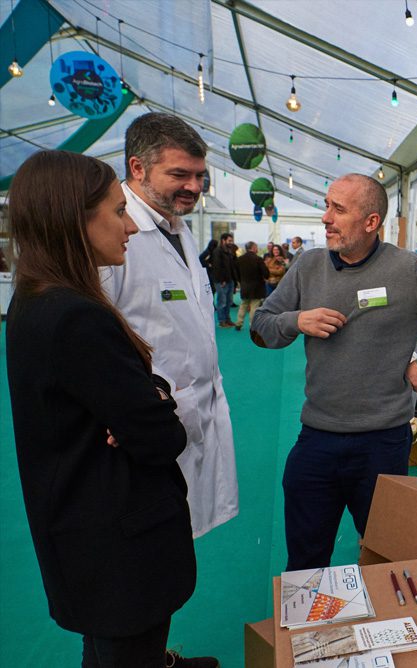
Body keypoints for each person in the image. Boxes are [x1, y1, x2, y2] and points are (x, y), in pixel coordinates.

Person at [5, 150, 212, 667]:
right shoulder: (77, 318)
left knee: (109, 644)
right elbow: (161, 437)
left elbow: (138, 398)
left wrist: (148, 399)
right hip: (116, 537)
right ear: (77, 218)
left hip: (81, 526)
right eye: (118, 211)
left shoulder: (36, 299)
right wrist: (153, 407)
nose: (131, 227)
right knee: (125, 645)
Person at [252, 173, 417, 570]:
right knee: (304, 561)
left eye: (338, 209)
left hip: (382, 444)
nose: (325, 218)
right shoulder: (308, 266)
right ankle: (305, 632)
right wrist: (297, 321)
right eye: (326, 205)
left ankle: (382, 630)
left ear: (371, 223)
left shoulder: (408, 271)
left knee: (386, 558)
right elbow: (261, 327)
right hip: (316, 439)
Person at [103, 112, 238, 542]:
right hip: (144, 423)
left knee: (175, 538)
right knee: (146, 549)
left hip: (188, 410)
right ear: (137, 168)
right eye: (180, 174)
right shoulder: (110, 235)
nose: (195, 187)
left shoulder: (178, 229)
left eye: (200, 176)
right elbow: (93, 334)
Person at [235, 241, 269, 332]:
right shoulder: (258, 259)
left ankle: (238, 323)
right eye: (256, 247)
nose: (257, 249)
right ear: (253, 248)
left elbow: (236, 273)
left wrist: (241, 281)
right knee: (254, 307)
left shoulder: (240, 259)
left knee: (243, 305)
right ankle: (252, 326)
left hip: (245, 286)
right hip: (257, 287)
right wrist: (266, 277)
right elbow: (265, 273)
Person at [210, 232, 238, 326]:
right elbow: (217, 267)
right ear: (223, 240)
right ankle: (222, 321)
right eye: (229, 241)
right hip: (221, 281)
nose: (231, 242)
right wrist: (221, 280)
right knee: (222, 301)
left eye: (231, 241)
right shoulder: (217, 251)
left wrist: (234, 280)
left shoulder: (229, 251)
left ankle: (227, 319)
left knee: (229, 301)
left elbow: (231, 267)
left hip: (230, 280)